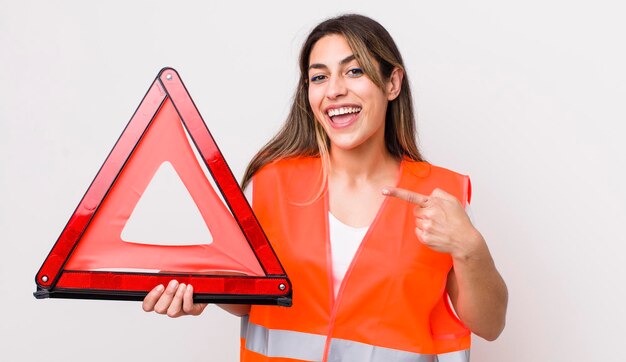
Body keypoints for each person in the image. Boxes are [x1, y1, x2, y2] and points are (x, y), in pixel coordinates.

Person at [142, 14, 508, 361]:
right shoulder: (269, 184)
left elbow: (489, 325)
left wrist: (470, 247)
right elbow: (255, 300)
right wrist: (204, 290)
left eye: (354, 71)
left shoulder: (441, 198)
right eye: (319, 78)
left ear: (392, 83)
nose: (334, 90)